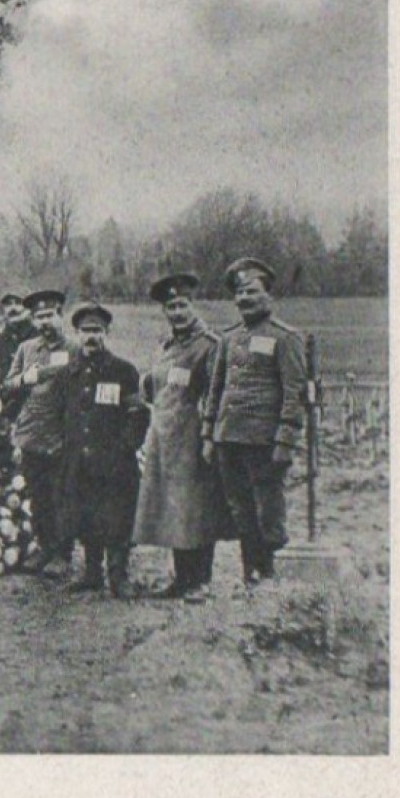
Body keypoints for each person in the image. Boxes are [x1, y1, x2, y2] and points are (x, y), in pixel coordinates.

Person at [202, 257, 307, 589]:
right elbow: (215, 389)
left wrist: (285, 440)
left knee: (267, 510)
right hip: (227, 438)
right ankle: (251, 575)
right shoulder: (228, 339)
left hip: (264, 441)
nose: (244, 299)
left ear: (268, 296)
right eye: (239, 293)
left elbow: (294, 392)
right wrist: (209, 434)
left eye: (251, 291)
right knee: (240, 510)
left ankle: (271, 574)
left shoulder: (284, 338)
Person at [133, 274, 228, 600]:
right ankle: (182, 578)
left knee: (196, 507)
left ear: (193, 305)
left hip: (192, 435)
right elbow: (155, 387)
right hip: (164, 437)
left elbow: (216, 394)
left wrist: (209, 436)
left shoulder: (208, 346)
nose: (177, 312)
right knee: (174, 508)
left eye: (182, 305)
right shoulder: (167, 347)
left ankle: (201, 580)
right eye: (171, 307)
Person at [58, 302, 149, 598]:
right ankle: (92, 573)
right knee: (85, 516)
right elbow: (65, 414)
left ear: (106, 332)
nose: (91, 337)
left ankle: (119, 577)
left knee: (117, 519)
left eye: (97, 330)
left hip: (114, 463)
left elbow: (138, 416)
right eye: (86, 331)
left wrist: (125, 448)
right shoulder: (70, 372)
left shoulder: (123, 371)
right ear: (77, 333)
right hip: (80, 460)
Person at [4, 290, 76, 576]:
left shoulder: (74, 348)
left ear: (60, 316)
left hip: (62, 433)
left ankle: (63, 552)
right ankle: (45, 546)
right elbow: (8, 383)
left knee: (62, 494)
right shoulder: (27, 348)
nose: (45, 322)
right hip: (33, 431)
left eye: (49, 315)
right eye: (39, 317)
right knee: (38, 495)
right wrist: (24, 378)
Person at [0, 291, 35, 387]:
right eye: (8, 304)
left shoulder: (39, 337)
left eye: (18, 303)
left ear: (29, 308)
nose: (12, 308)